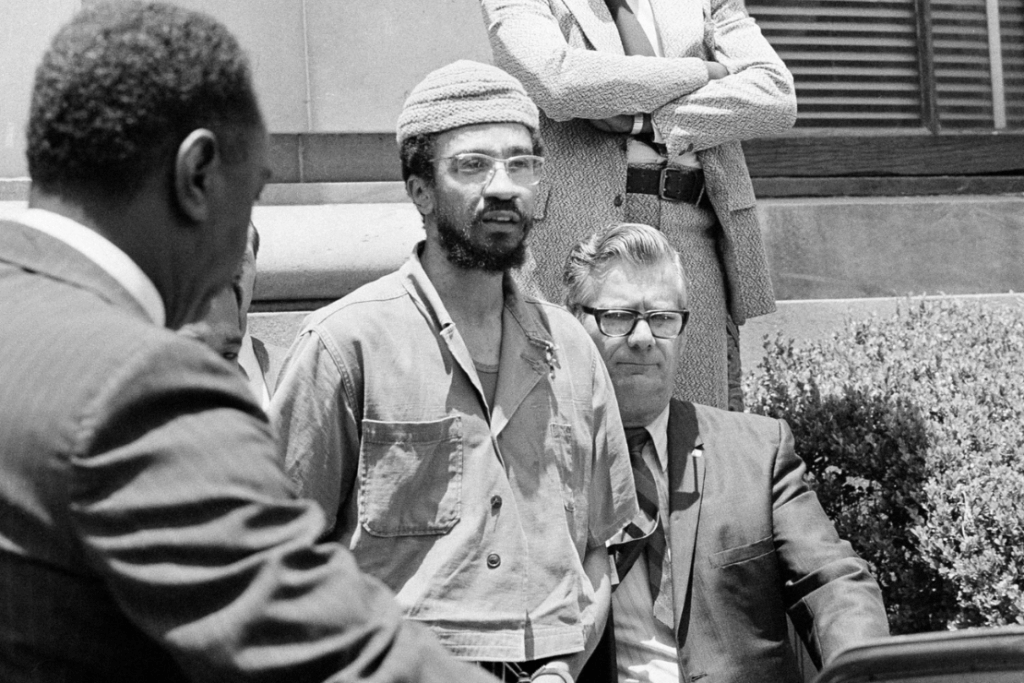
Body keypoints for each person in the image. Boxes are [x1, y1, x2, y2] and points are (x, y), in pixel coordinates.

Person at [0, 4, 497, 682]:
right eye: (254, 192)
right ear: (198, 174)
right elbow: (347, 657)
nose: (246, 241)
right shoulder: (141, 388)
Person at [272, 60, 638, 683]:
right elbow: (274, 559)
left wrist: (561, 670)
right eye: (473, 166)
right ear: (419, 190)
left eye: (521, 164)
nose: (503, 186)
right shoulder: (346, 344)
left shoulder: (573, 348)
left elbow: (599, 556)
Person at [563, 223, 890, 683]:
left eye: (661, 318)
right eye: (618, 316)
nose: (642, 338)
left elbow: (834, 580)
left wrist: (864, 667)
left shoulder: (758, 451)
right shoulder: (539, 463)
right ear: (574, 322)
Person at [479, 0, 798, 410]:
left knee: (692, 424)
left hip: (692, 227)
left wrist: (643, 122)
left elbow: (775, 94)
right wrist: (705, 72)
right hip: (574, 231)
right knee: (567, 418)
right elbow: (559, 81)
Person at [180, 222, 285, 408]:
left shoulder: (292, 371)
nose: (225, 276)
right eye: (210, 261)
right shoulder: (152, 376)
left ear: (256, 275)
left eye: (238, 260)